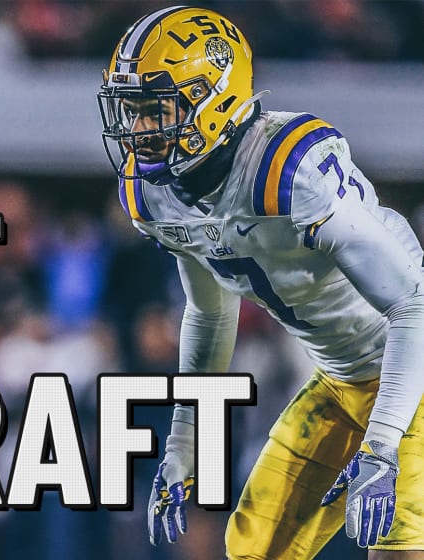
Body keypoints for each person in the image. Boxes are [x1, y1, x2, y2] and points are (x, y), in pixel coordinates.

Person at [96, 6, 424, 560]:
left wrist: (384, 446)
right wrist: (184, 443)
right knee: (254, 548)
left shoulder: (287, 170)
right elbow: (210, 314)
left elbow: (414, 306)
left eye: (156, 109)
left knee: (392, 545)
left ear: (213, 98)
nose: (139, 128)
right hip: (342, 381)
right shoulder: (155, 195)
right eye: (130, 110)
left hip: (409, 370)